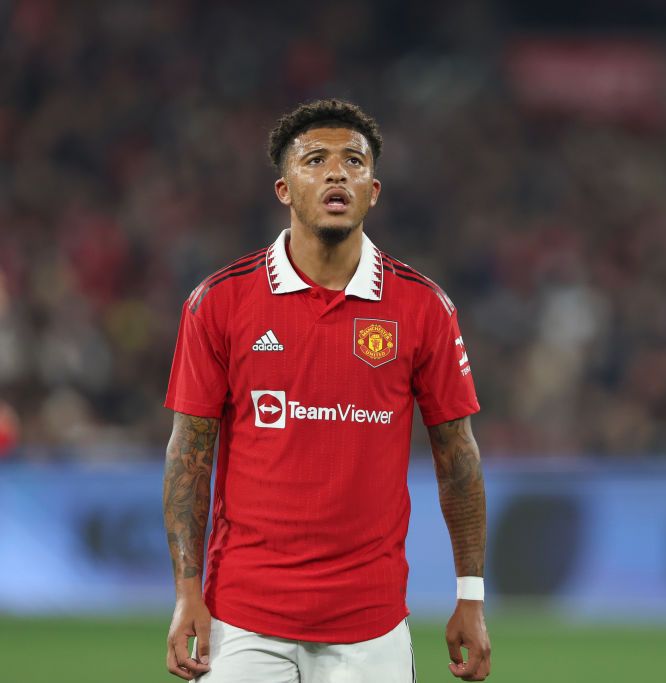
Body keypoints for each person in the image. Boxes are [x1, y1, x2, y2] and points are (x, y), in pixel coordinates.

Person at [162, 99, 491, 682]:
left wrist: (471, 595)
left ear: (374, 190)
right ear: (284, 189)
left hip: (371, 626)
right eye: (315, 160)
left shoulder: (423, 307)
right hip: (243, 620)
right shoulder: (219, 302)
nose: (337, 172)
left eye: (354, 162)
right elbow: (190, 452)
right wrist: (188, 592)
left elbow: (457, 456)